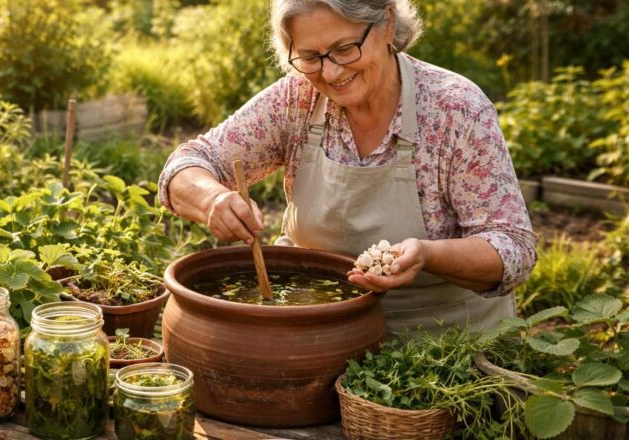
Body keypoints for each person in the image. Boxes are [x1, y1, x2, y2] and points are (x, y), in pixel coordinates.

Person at [158, 0, 537, 333]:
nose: (332, 73)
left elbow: (513, 249)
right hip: (320, 335)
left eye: (345, 48)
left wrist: (429, 254)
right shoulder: (297, 100)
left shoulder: (455, 110)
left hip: (444, 347)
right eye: (310, 57)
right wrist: (211, 200)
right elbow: (187, 164)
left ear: (387, 24)